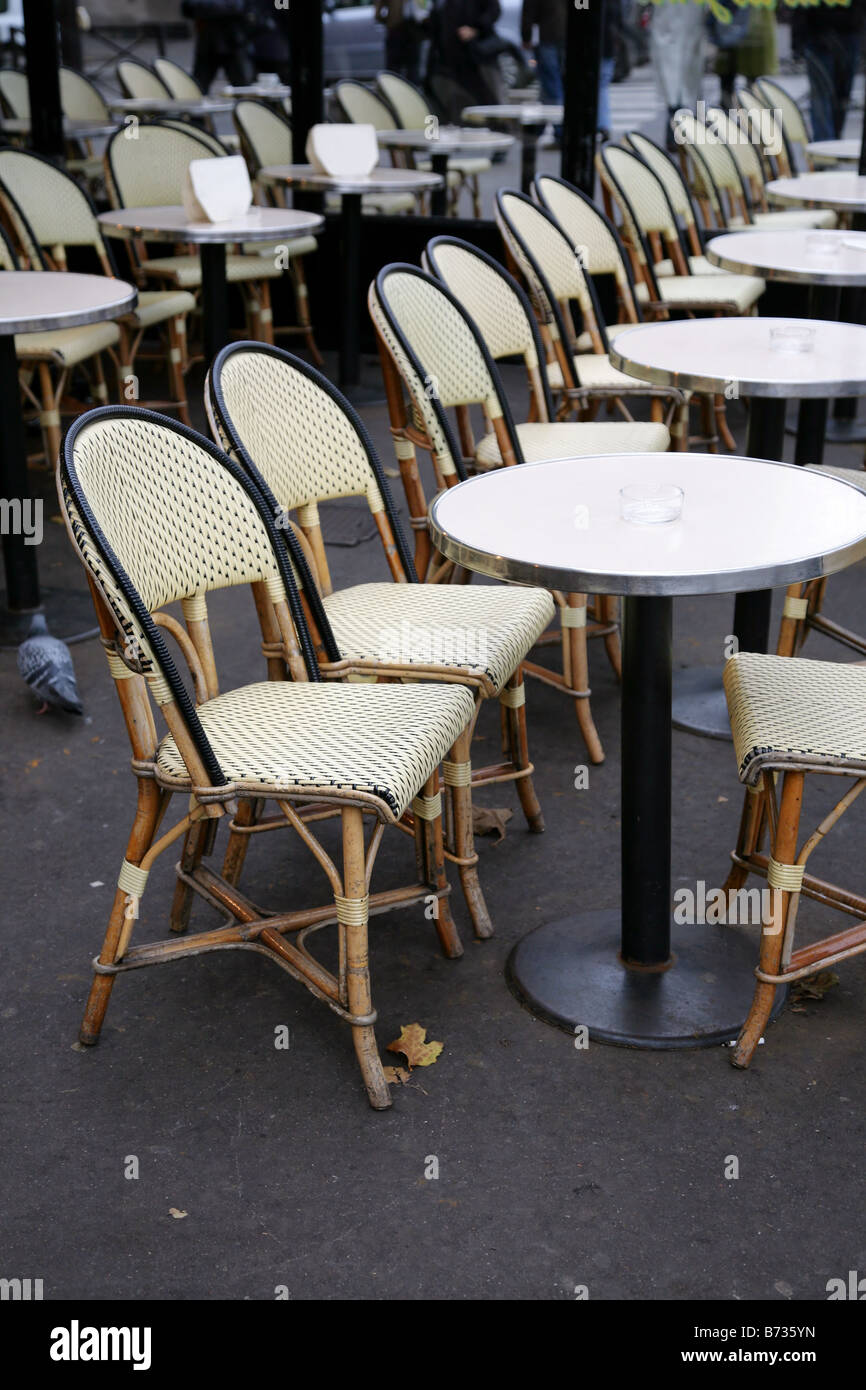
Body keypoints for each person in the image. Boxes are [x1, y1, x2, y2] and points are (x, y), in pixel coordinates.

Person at [791, 0, 865, 142]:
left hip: (849, 30)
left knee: (841, 96)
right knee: (821, 95)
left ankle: (833, 143)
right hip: (817, 32)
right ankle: (825, 148)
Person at [428, 0, 502, 122]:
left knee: (482, 94)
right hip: (447, 54)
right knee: (452, 96)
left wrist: (475, 29)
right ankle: (459, 125)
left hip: (473, 54)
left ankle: (491, 127)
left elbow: (494, 10)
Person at [649, 0, 706, 150]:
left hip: (677, 39)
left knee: (677, 92)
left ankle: (677, 135)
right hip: (678, 39)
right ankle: (679, 135)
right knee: (679, 91)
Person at [715, 5, 778, 112]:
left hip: (755, 19)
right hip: (731, 14)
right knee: (728, 65)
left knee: (753, 68)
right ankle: (726, 107)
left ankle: (752, 105)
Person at [181, 0, 254, 92]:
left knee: (242, 89)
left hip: (233, 42)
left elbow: (235, 6)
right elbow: (187, 7)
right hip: (207, 43)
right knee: (197, 89)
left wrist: (204, 9)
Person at [375, 1, 429, 86]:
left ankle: (393, 93)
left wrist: (389, 21)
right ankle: (411, 93)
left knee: (394, 69)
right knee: (412, 68)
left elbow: (378, 14)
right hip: (413, 29)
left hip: (396, 29)